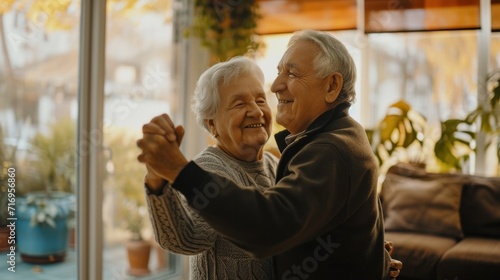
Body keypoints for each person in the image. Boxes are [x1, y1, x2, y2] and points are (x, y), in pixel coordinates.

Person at [138, 30, 402, 279]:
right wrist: (161, 178)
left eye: (260, 99)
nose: (274, 88)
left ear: (332, 86)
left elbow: (279, 228)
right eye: (240, 103)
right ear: (212, 124)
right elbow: (186, 237)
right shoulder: (211, 167)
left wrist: (369, 259)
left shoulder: (305, 156)